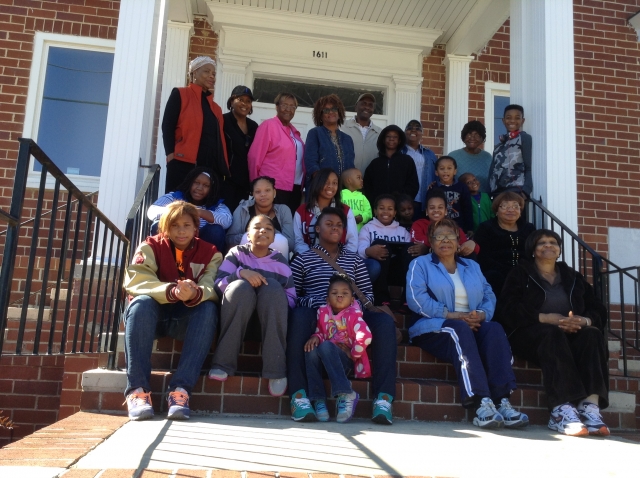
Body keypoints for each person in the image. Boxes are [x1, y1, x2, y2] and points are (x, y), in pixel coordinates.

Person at [406, 218, 528, 429]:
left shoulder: (471, 265)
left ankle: (502, 401)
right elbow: (416, 299)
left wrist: (481, 314)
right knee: (459, 329)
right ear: (431, 242)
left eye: (450, 235)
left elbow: (488, 294)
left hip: (470, 324)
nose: (445, 240)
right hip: (433, 325)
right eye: (439, 236)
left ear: (458, 240)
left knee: (494, 329)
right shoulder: (421, 264)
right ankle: (481, 402)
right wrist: (452, 315)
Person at [288, 207, 397, 424]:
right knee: (299, 315)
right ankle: (299, 396)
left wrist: (346, 309)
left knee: (384, 322)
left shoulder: (354, 260)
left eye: (339, 225)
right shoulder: (303, 260)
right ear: (317, 229)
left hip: (350, 314)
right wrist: (320, 303)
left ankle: (383, 399)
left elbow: (367, 295)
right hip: (317, 313)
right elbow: (293, 296)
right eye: (329, 224)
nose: (335, 228)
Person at [496, 229, 610, 437]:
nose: (548, 246)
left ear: (559, 250)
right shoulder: (521, 273)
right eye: (542, 243)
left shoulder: (572, 276)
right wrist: (547, 318)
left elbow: (598, 308)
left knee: (593, 335)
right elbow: (508, 309)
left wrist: (583, 321)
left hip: (571, 331)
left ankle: (589, 406)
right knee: (552, 333)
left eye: (553, 242)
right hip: (530, 334)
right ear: (532, 249)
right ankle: (561, 410)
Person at [123, 201, 222, 421]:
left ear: (196, 228)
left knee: (208, 309)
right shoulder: (149, 246)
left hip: (184, 318)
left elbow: (211, 286)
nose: (181, 230)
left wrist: (193, 293)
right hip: (152, 317)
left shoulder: (211, 253)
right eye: (175, 225)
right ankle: (137, 391)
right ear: (165, 227)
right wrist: (171, 291)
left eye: (187, 225)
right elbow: (136, 281)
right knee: (140, 304)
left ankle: (180, 391)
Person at [208, 215, 295, 397]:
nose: (263, 230)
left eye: (268, 228)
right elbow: (218, 285)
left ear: (273, 238)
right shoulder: (237, 253)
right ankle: (222, 363)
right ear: (247, 235)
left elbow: (291, 299)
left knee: (272, 288)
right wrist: (241, 273)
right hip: (237, 315)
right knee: (240, 286)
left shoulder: (280, 261)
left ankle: (276, 370)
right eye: (257, 227)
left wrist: (271, 293)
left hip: (268, 321)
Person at [304, 274, 373, 423]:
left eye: (345, 293)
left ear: (352, 299)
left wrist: (353, 353)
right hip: (327, 359)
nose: (340, 295)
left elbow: (365, 336)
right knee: (311, 350)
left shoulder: (354, 316)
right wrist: (316, 336)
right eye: (334, 293)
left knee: (327, 346)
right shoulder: (323, 313)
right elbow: (322, 332)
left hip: (345, 362)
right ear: (328, 299)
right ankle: (318, 400)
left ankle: (345, 393)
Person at [161, 56, 228, 193]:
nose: (211, 76)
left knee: (203, 209)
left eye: (214, 74)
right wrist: (171, 156)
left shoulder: (216, 108)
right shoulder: (180, 94)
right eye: (206, 71)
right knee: (178, 206)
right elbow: (167, 126)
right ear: (194, 73)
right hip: (183, 163)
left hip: (210, 167)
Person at [148, 168, 232, 253]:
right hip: (175, 241)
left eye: (206, 185)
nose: (199, 188)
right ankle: (160, 259)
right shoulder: (175, 197)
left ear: (211, 189)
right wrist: (180, 210)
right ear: (190, 182)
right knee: (158, 224)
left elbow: (227, 221)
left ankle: (210, 264)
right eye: (196, 182)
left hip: (201, 249)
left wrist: (198, 212)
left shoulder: (217, 205)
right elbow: (152, 212)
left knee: (216, 230)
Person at [248, 92, 305, 215]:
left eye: (292, 107)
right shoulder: (269, 125)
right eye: (284, 105)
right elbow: (254, 157)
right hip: (274, 187)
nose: (288, 110)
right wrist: (255, 185)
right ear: (277, 106)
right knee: (272, 224)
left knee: (288, 226)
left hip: (295, 187)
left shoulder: (294, 132)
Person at [358, 194, 416, 304]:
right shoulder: (368, 228)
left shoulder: (402, 231)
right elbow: (360, 251)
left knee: (410, 248)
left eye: (390, 209)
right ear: (375, 211)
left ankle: (407, 298)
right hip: (379, 271)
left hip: (397, 271)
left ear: (395, 213)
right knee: (380, 243)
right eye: (381, 208)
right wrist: (369, 251)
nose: (385, 212)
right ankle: (381, 297)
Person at [474, 191, 535, 295]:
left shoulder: (529, 228)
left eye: (516, 206)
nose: (511, 210)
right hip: (496, 273)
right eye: (505, 206)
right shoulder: (486, 228)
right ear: (496, 210)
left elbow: (533, 253)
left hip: (524, 271)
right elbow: (484, 257)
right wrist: (509, 272)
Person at [226, 176, 295, 259]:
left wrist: (268, 233)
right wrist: (253, 235)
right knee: (245, 237)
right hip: (247, 261)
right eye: (258, 191)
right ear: (253, 194)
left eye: (267, 190)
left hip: (276, 262)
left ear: (274, 192)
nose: (263, 194)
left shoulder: (284, 210)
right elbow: (229, 239)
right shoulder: (243, 208)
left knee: (280, 240)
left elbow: (290, 245)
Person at [293, 168, 358, 254]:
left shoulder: (346, 210)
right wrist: (312, 258)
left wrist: (341, 259)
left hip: (340, 260)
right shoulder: (301, 211)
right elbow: (298, 242)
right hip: (310, 260)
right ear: (317, 183)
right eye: (326, 182)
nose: (331, 186)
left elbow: (352, 242)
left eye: (335, 183)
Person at [410, 189, 479, 259]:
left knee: (470, 253)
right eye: (432, 208)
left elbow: (468, 245)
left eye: (440, 207)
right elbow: (417, 240)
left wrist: (472, 244)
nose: (436, 210)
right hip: (428, 260)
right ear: (427, 211)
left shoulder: (453, 227)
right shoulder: (419, 224)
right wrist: (451, 243)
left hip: (451, 261)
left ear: (446, 211)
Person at [222, 85, 259, 211]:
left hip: (245, 183)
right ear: (232, 101)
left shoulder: (254, 126)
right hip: (225, 182)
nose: (245, 104)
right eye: (241, 99)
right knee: (225, 218)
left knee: (240, 219)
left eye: (248, 101)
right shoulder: (223, 121)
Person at [304, 94, 355, 187]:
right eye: (326, 110)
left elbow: (351, 167)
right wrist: (322, 183)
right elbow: (311, 162)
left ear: (339, 113)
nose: (331, 112)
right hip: (321, 187)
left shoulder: (348, 139)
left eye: (334, 109)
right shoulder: (315, 133)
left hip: (344, 190)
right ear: (320, 115)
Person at [363, 125, 419, 207]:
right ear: (383, 140)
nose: (391, 139)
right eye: (388, 136)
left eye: (395, 137)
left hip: (400, 208)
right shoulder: (375, 164)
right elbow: (367, 186)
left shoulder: (407, 161)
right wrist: (375, 202)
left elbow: (413, 185)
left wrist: (402, 200)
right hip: (380, 209)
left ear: (399, 140)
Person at [488, 104, 533, 199]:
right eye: (508, 118)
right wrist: (489, 191)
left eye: (517, 118)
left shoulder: (524, 138)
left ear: (522, 121)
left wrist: (526, 191)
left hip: (515, 191)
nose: (512, 121)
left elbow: (528, 167)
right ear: (503, 120)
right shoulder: (498, 146)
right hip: (497, 193)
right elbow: (492, 171)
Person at [401, 120, 437, 217]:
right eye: (409, 128)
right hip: (404, 199)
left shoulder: (429, 154)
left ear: (422, 134)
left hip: (423, 199)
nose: (413, 131)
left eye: (418, 129)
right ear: (405, 132)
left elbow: (436, 174)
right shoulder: (399, 152)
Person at [448, 121, 493, 194]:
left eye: (477, 135)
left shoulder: (488, 157)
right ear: (464, 137)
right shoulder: (453, 156)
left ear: (482, 138)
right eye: (469, 134)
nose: (472, 138)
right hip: (459, 201)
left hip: (483, 202)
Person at [431, 156, 473, 235]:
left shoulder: (462, 187)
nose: (445, 171)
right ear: (436, 172)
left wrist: (469, 228)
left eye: (449, 168)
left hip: (458, 226)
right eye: (442, 168)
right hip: (438, 227)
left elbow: (467, 209)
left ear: (455, 171)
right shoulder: (433, 188)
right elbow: (429, 209)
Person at [341, 93, 382, 172]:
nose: (367, 107)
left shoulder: (379, 133)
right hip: (345, 181)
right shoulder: (342, 127)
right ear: (356, 107)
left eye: (370, 105)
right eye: (363, 104)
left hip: (370, 182)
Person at [340, 168, 372, 233]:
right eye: (358, 178)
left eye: (361, 178)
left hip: (358, 233)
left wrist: (362, 218)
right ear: (349, 180)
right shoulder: (340, 195)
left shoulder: (362, 197)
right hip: (342, 232)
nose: (362, 180)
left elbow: (369, 213)